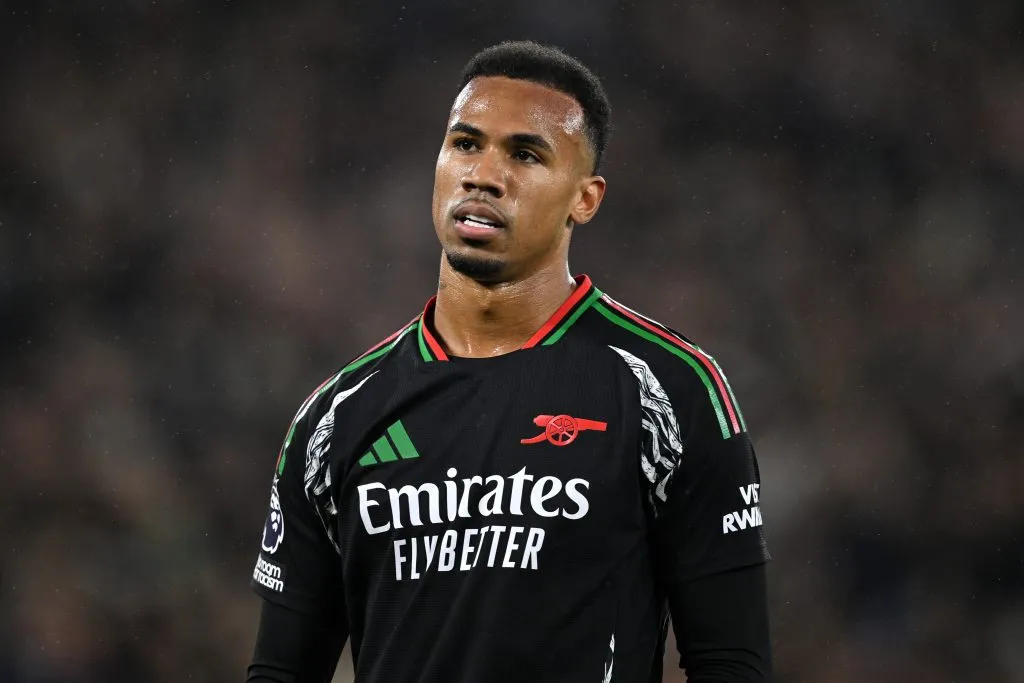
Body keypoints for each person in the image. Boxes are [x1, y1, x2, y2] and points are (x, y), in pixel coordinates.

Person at [246, 40, 772, 683]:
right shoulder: (337, 415)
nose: (484, 174)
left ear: (586, 198)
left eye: (525, 154)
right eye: (466, 144)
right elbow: (281, 671)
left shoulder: (668, 388)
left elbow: (731, 663)